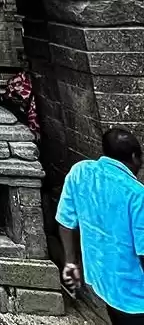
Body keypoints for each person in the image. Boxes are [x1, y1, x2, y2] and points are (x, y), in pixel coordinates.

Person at [57, 128, 144, 324]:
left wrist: (71, 262)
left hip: (102, 281)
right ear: (134, 157)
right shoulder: (137, 194)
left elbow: (65, 221)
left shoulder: (80, 172)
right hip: (135, 293)